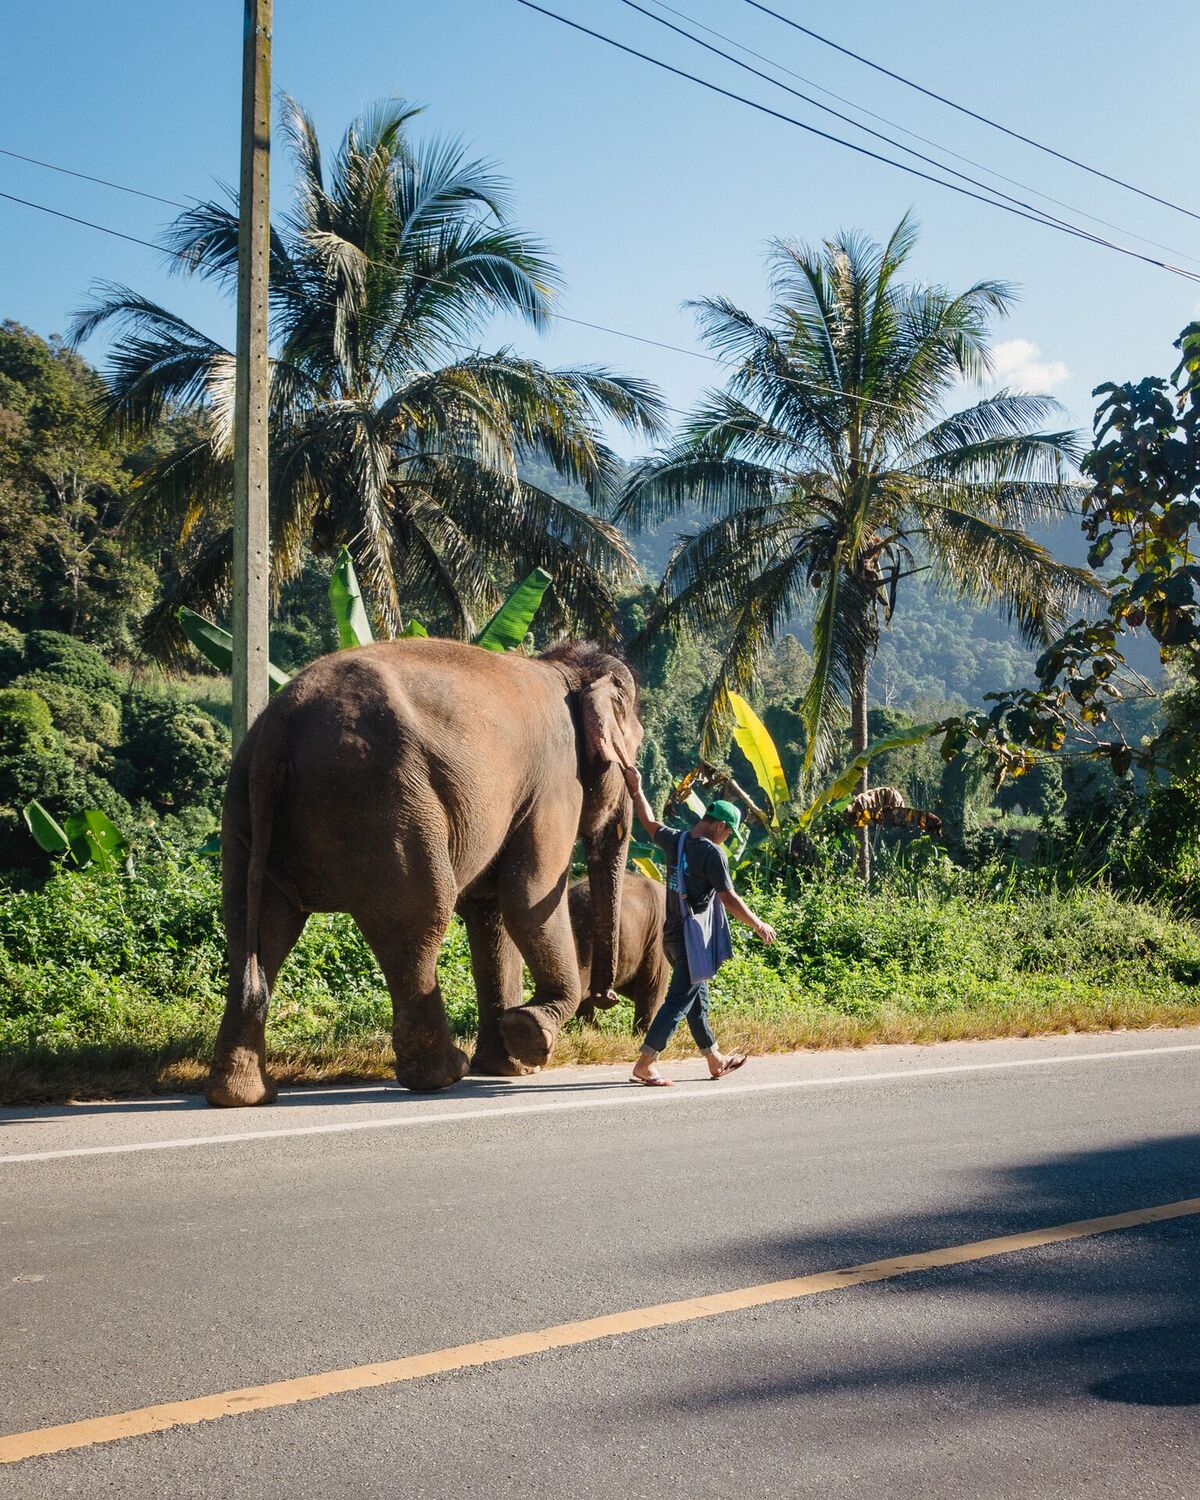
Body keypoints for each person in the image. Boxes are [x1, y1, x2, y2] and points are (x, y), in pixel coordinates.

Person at [622, 765, 776, 1086]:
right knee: (679, 999)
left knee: (696, 997)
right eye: (728, 832)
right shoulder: (712, 853)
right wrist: (758, 923)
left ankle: (714, 1059)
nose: (728, 837)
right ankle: (646, 1062)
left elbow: (649, 823)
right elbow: (728, 897)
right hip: (694, 939)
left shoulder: (676, 840)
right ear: (720, 825)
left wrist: (637, 790)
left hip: (672, 934)